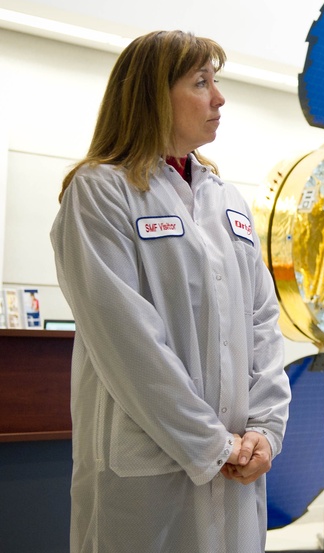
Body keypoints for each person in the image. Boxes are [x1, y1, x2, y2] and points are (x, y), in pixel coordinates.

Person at [50, 30, 292, 552]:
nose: (219, 98)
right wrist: (212, 444)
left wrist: (265, 431)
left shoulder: (227, 199)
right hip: (148, 466)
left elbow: (262, 324)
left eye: (216, 82)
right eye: (201, 83)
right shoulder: (101, 191)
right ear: (153, 96)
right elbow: (128, 341)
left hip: (238, 464)